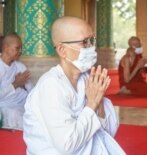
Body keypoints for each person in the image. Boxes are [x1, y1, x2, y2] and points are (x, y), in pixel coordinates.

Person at [23, 16, 125, 155]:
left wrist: (99, 101)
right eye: (85, 42)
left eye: (92, 41)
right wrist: (92, 103)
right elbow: (67, 145)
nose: (91, 47)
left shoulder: (87, 79)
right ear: (62, 50)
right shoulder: (51, 86)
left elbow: (107, 132)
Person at [0, 33, 33, 129]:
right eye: (17, 48)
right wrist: (16, 84)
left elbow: (31, 91)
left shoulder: (20, 66)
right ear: (6, 48)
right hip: (6, 106)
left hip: (24, 104)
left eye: (21, 48)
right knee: (13, 115)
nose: (20, 51)